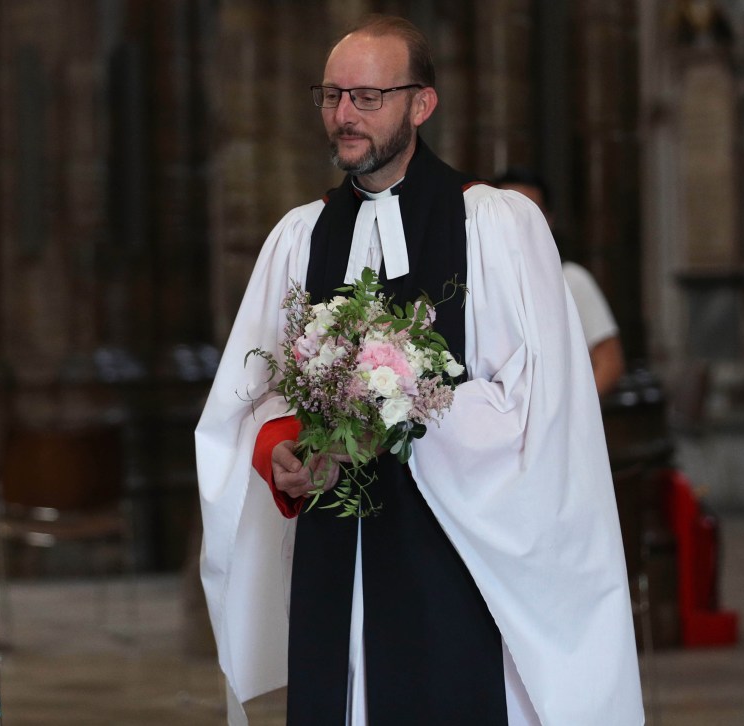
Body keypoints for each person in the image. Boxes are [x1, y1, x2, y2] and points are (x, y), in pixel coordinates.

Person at [196, 14, 642, 726]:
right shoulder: (298, 237)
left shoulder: (495, 227)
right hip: (333, 550)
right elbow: (254, 393)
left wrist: (398, 412)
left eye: (366, 98)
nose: (343, 115)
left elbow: (538, 405)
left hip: (454, 545)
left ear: (420, 104)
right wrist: (284, 447)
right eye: (331, 96)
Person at [493, 168, 625, 398]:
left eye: (530, 212)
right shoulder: (476, 279)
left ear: (548, 220)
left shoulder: (571, 280)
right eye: (508, 212)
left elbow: (609, 363)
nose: (517, 223)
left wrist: (569, 413)